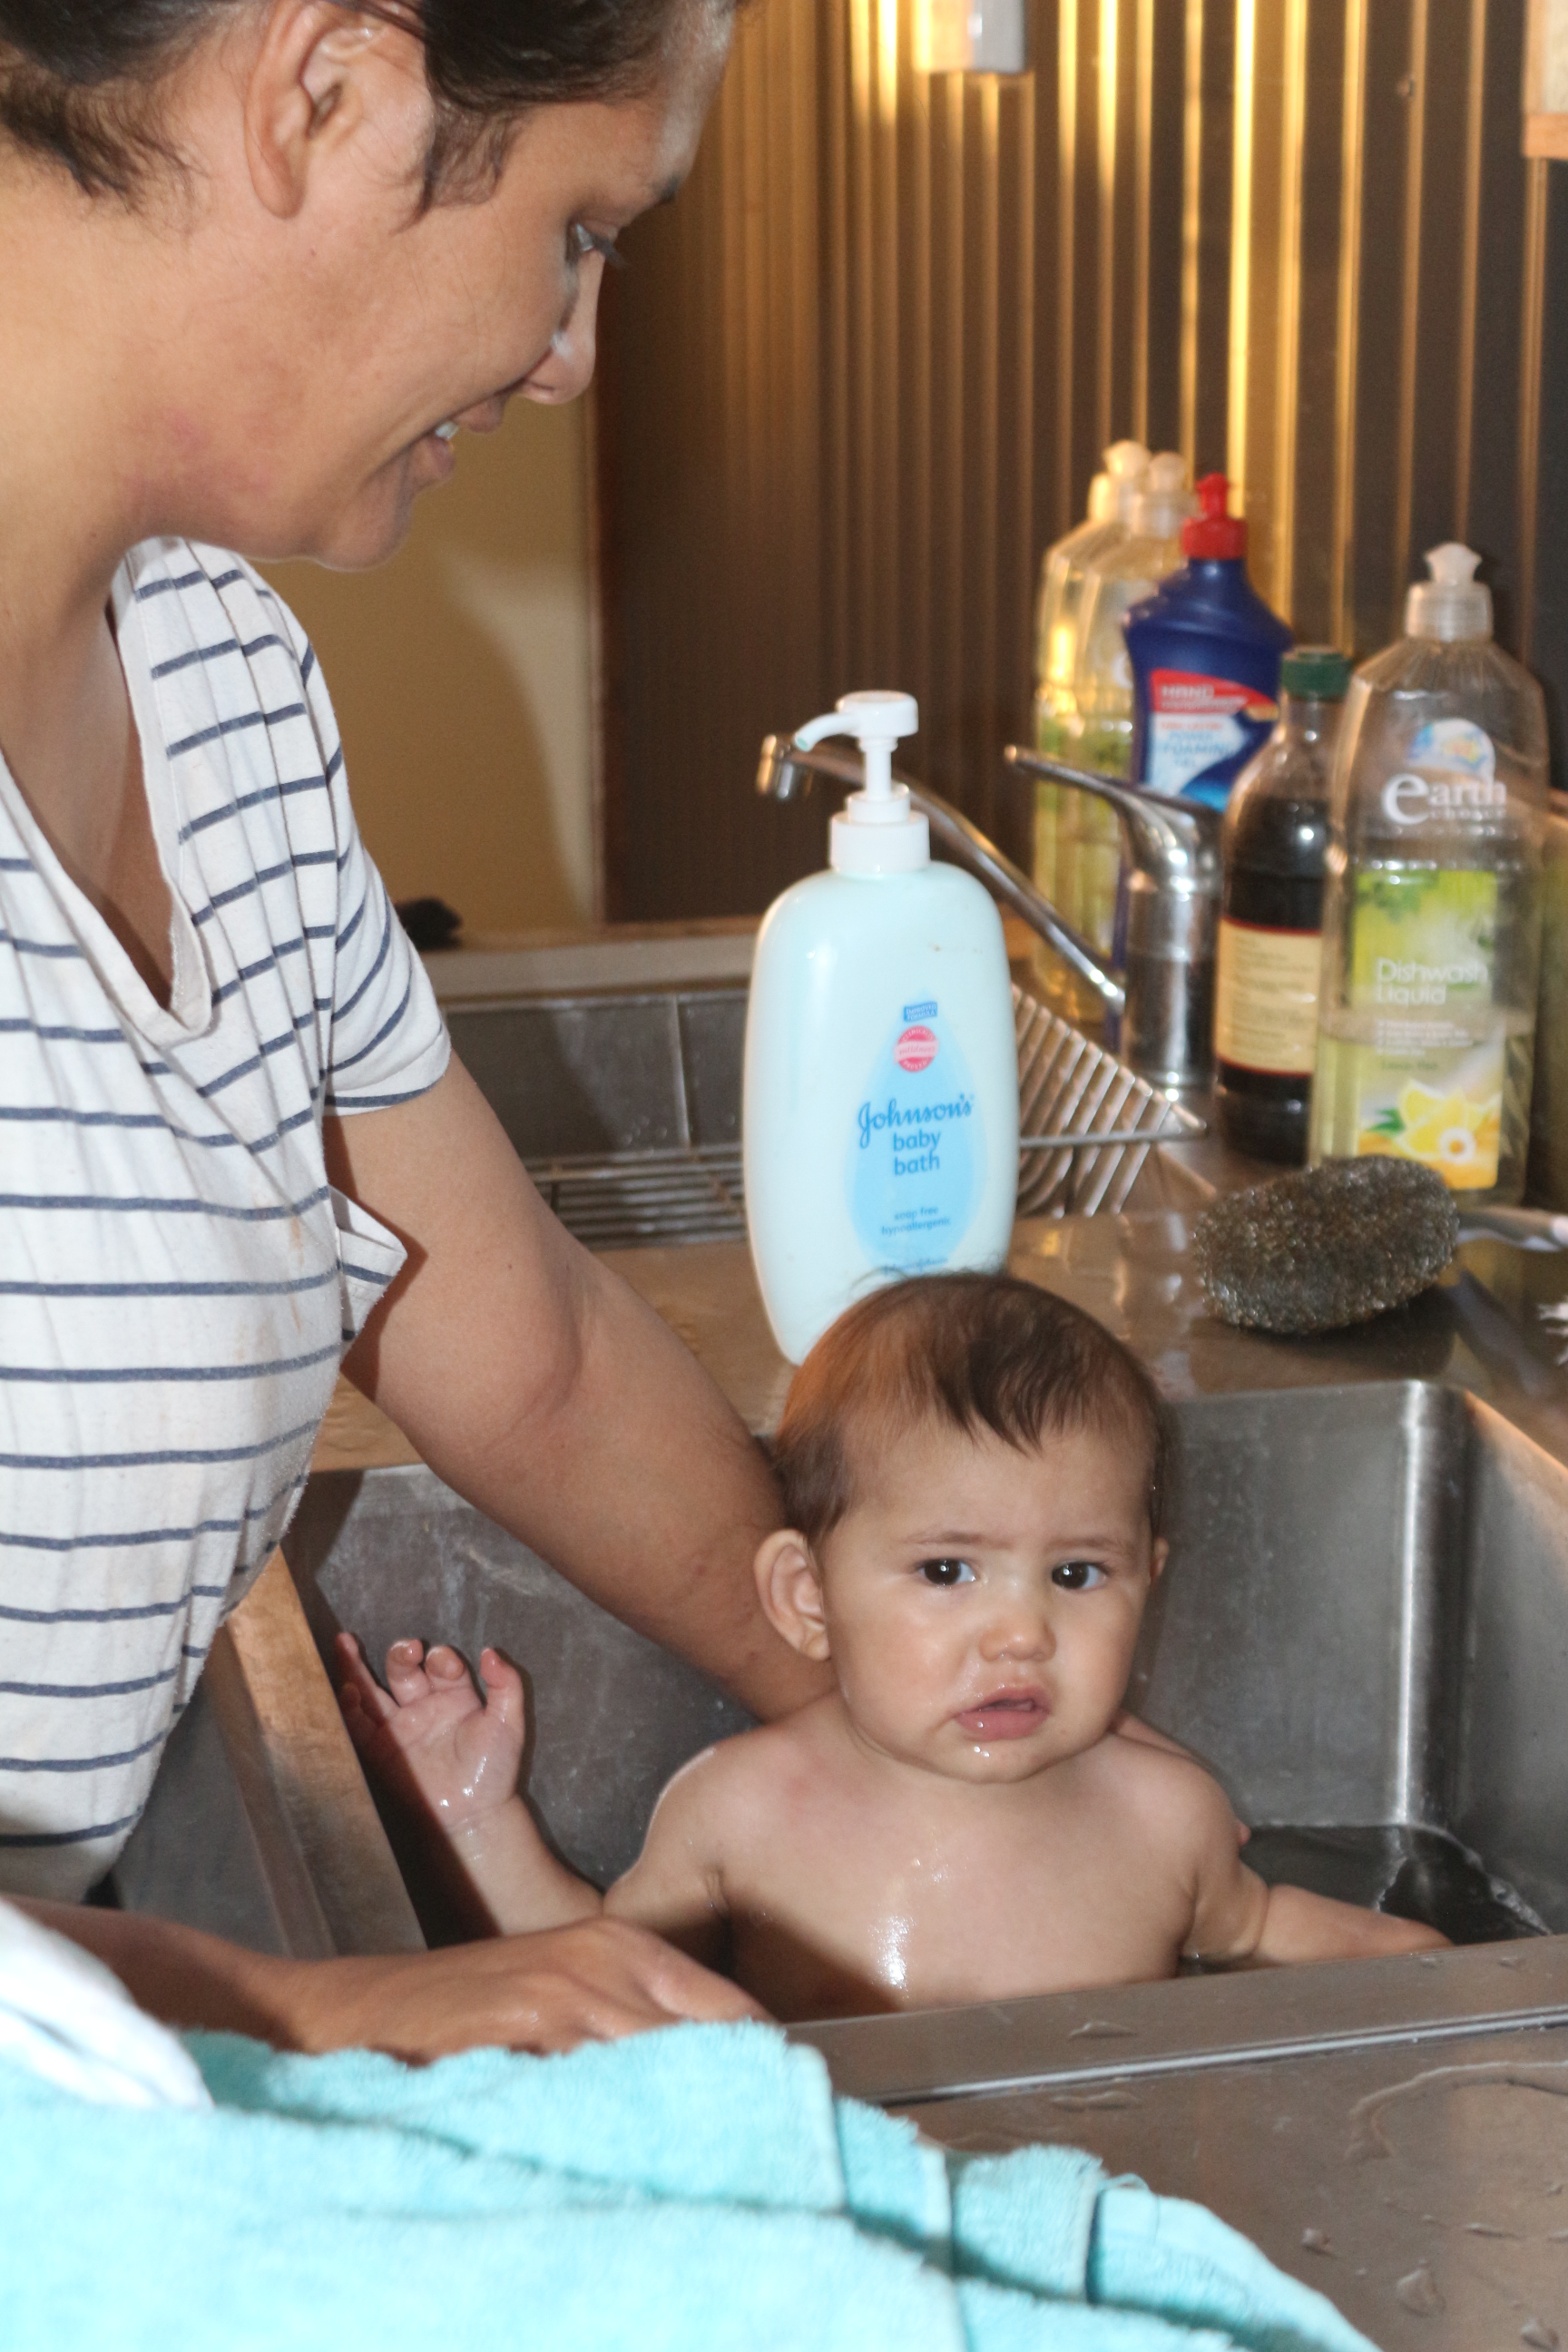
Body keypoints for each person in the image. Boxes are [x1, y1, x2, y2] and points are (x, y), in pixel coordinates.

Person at [0, 0, 828, 2056]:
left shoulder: (218, 671)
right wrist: (331, 2010)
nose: (570, 355)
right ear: (328, 92)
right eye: (578, 233)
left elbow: (523, 1348)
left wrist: (912, 1708)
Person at [342, 1273, 1448, 2019]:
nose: (1021, 1633)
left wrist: (1445, 1980)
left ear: (1147, 1579)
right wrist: (475, 1822)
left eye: (1076, 1574)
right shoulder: (742, 1813)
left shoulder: (1167, 1818)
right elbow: (599, 1985)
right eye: (946, 1571)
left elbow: (1259, 1929)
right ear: (807, 1597)